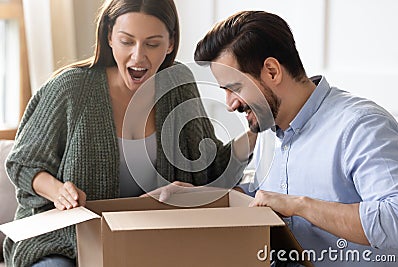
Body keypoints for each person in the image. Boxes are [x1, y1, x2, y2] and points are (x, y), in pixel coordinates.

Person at [3, 1, 256, 266]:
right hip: (64, 243)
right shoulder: (70, 89)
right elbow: (23, 163)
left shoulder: (178, 86)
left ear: (170, 43)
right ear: (110, 36)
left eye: (152, 43)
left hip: (148, 242)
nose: (138, 56)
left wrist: (256, 129)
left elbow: (213, 166)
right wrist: (59, 191)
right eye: (127, 41)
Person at [194, 10, 398, 266]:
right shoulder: (269, 129)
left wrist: (299, 205)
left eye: (235, 88)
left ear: (271, 71)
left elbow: (396, 220)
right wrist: (201, 198)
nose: (229, 104)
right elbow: (268, 196)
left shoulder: (361, 125)